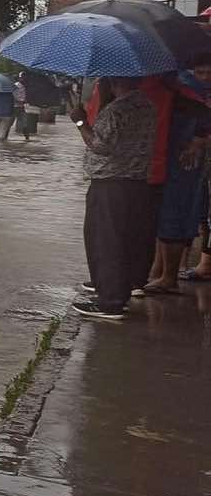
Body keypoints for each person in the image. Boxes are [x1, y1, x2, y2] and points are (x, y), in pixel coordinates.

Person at [72, 76, 157, 320]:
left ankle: (110, 301)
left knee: (106, 242)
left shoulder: (115, 111)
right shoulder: (147, 105)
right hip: (138, 183)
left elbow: (100, 145)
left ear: (112, 82)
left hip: (110, 184)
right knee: (127, 241)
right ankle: (119, 293)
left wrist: (79, 121)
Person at [144, 52, 211, 293]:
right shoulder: (172, 79)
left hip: (180, 158)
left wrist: (197, 140)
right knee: (167, 215)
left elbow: (203, 115)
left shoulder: (182, 83)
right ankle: (159, 272)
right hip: (168, 156)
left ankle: (167, 277)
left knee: (175, 213)